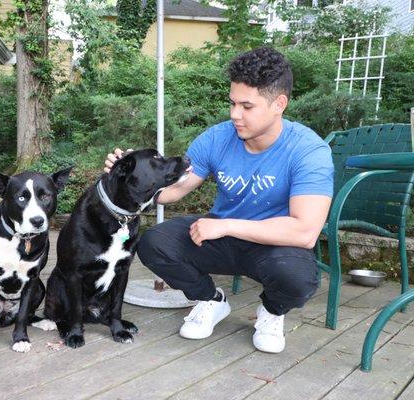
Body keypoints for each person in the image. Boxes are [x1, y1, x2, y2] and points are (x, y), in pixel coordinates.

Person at [104, 47, 334, 353]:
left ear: (279, 104)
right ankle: (210, 300)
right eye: (233, 103)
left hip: (274, 245)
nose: (235, 115)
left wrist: (226, 226)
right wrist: (131, 175)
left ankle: (271, 311)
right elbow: (171, 192)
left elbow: (304, 232)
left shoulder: (308, 151)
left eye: (247, 106)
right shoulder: (216, 138)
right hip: (221, 238)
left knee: (298, 277)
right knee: (154, 242)